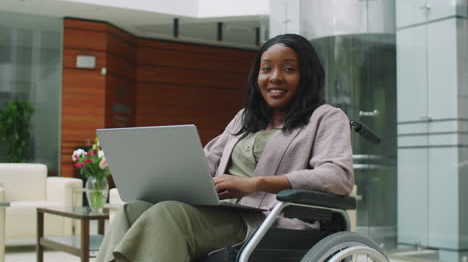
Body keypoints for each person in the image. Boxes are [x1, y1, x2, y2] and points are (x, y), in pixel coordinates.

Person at [95, 33, 354, 262]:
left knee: (168, 214)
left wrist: (257, 183)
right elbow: (208, 160)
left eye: (288, 69)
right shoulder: (245, 118)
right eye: (266, 69)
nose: (275, 77)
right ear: (257, 76)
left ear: (306, 75)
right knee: (133, 209)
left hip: (268, 221)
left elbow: (338, 177)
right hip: (221, 211)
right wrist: (160, 170)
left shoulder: (325, 117)